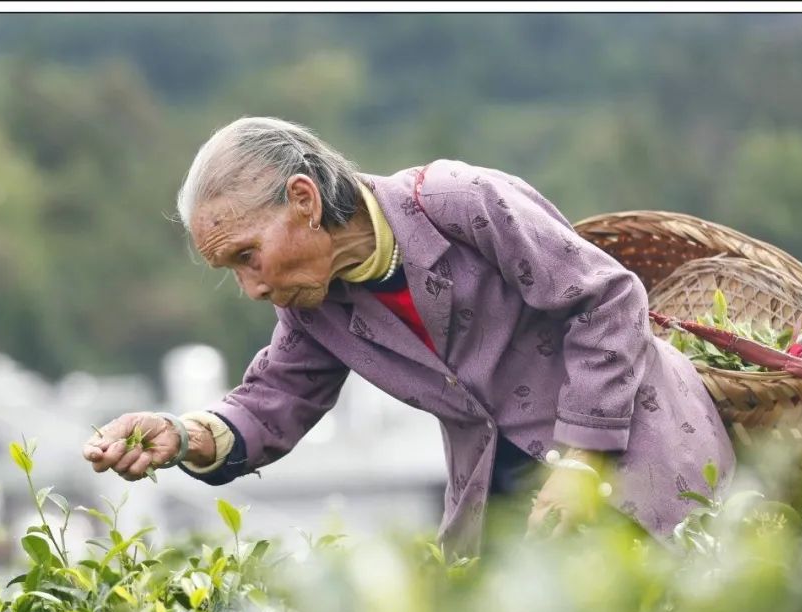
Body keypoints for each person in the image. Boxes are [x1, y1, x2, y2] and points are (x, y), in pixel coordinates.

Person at [82, 116, 736, 556]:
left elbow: (606, 300)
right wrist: (181, 435)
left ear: (304, 200)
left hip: (634, 453)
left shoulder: (460, 204)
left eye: (247, 256)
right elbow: (269, 402)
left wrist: (577, 461)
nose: (251, 287)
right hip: (506, 494)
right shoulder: (316, 309)